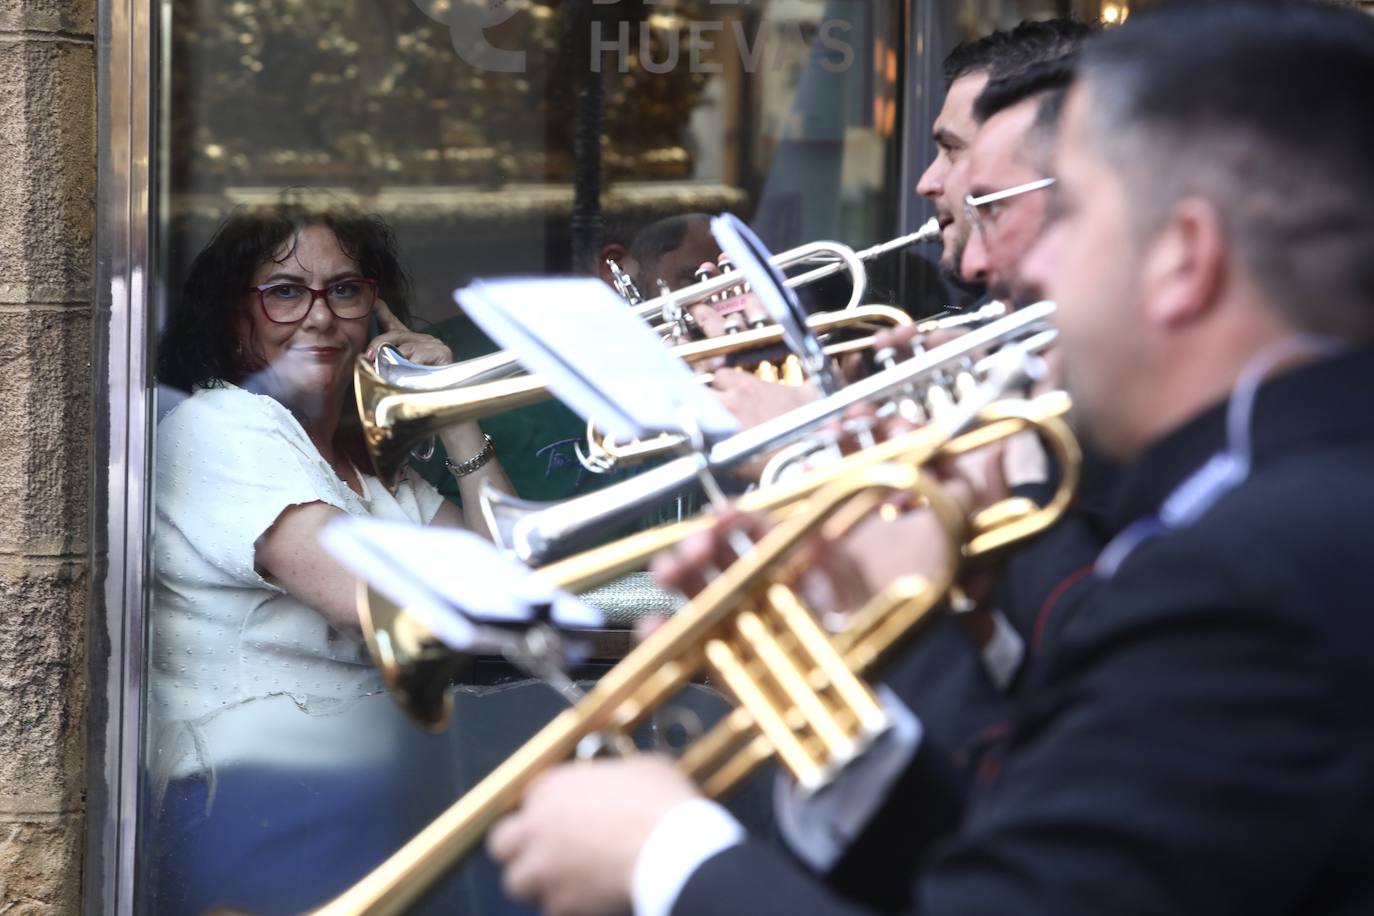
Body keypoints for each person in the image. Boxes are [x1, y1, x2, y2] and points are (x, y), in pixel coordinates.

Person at [484, 3, 1374, 914]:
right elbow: (1022, 859)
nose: (1016, 272)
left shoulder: (1249, 571)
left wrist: (668, 861)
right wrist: (901, 633)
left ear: (1185, 258)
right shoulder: (1269, 506)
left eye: (1079, 215)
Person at [148, 202, 513, 913]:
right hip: (254, 804)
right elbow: (385, 607)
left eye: (344, 290)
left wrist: (454, 407)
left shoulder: (374, 478)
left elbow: (507, 584)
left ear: (375, 313)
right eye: (284, 291)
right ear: (236, 318)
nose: (319, 315)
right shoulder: (221, 426)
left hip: (364, 796)